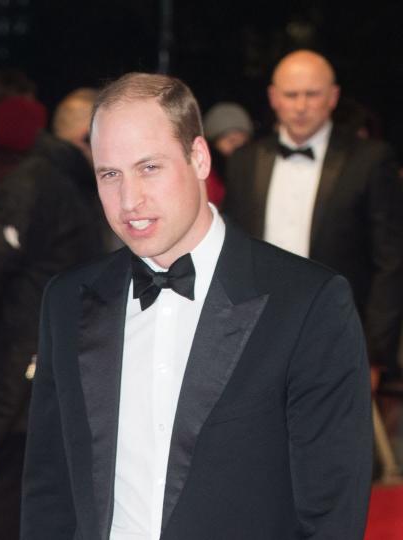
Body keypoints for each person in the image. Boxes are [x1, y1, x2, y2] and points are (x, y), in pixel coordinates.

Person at [21, 73, 372, 539]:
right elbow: (50, 487)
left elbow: (332, 508)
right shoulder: (66, 300)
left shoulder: (308, 302)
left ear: (199, 157)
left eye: (149, 167)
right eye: (110, 174)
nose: (129, 200)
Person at [0, 88, 106, 540]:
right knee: (15, 483)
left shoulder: (72, 181)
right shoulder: (38, 181)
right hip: (25, 363)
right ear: (87, 135)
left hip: (56, 356)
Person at [223, 50, 403, 381]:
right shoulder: (243, 162)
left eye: (312, 94)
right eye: (291, 95)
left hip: (339, 333)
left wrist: (375, 352)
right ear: (274, 98)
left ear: (333, 97)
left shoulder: (370, 160)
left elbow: (390, 261)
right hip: (254, 335)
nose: (301, 105)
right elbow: (230, 250)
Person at [201, 102, 252, 206]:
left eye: (243, 141)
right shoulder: (205, 179)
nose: (238, 146)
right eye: (231, 140)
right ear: (213, 144)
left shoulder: (254, 172)